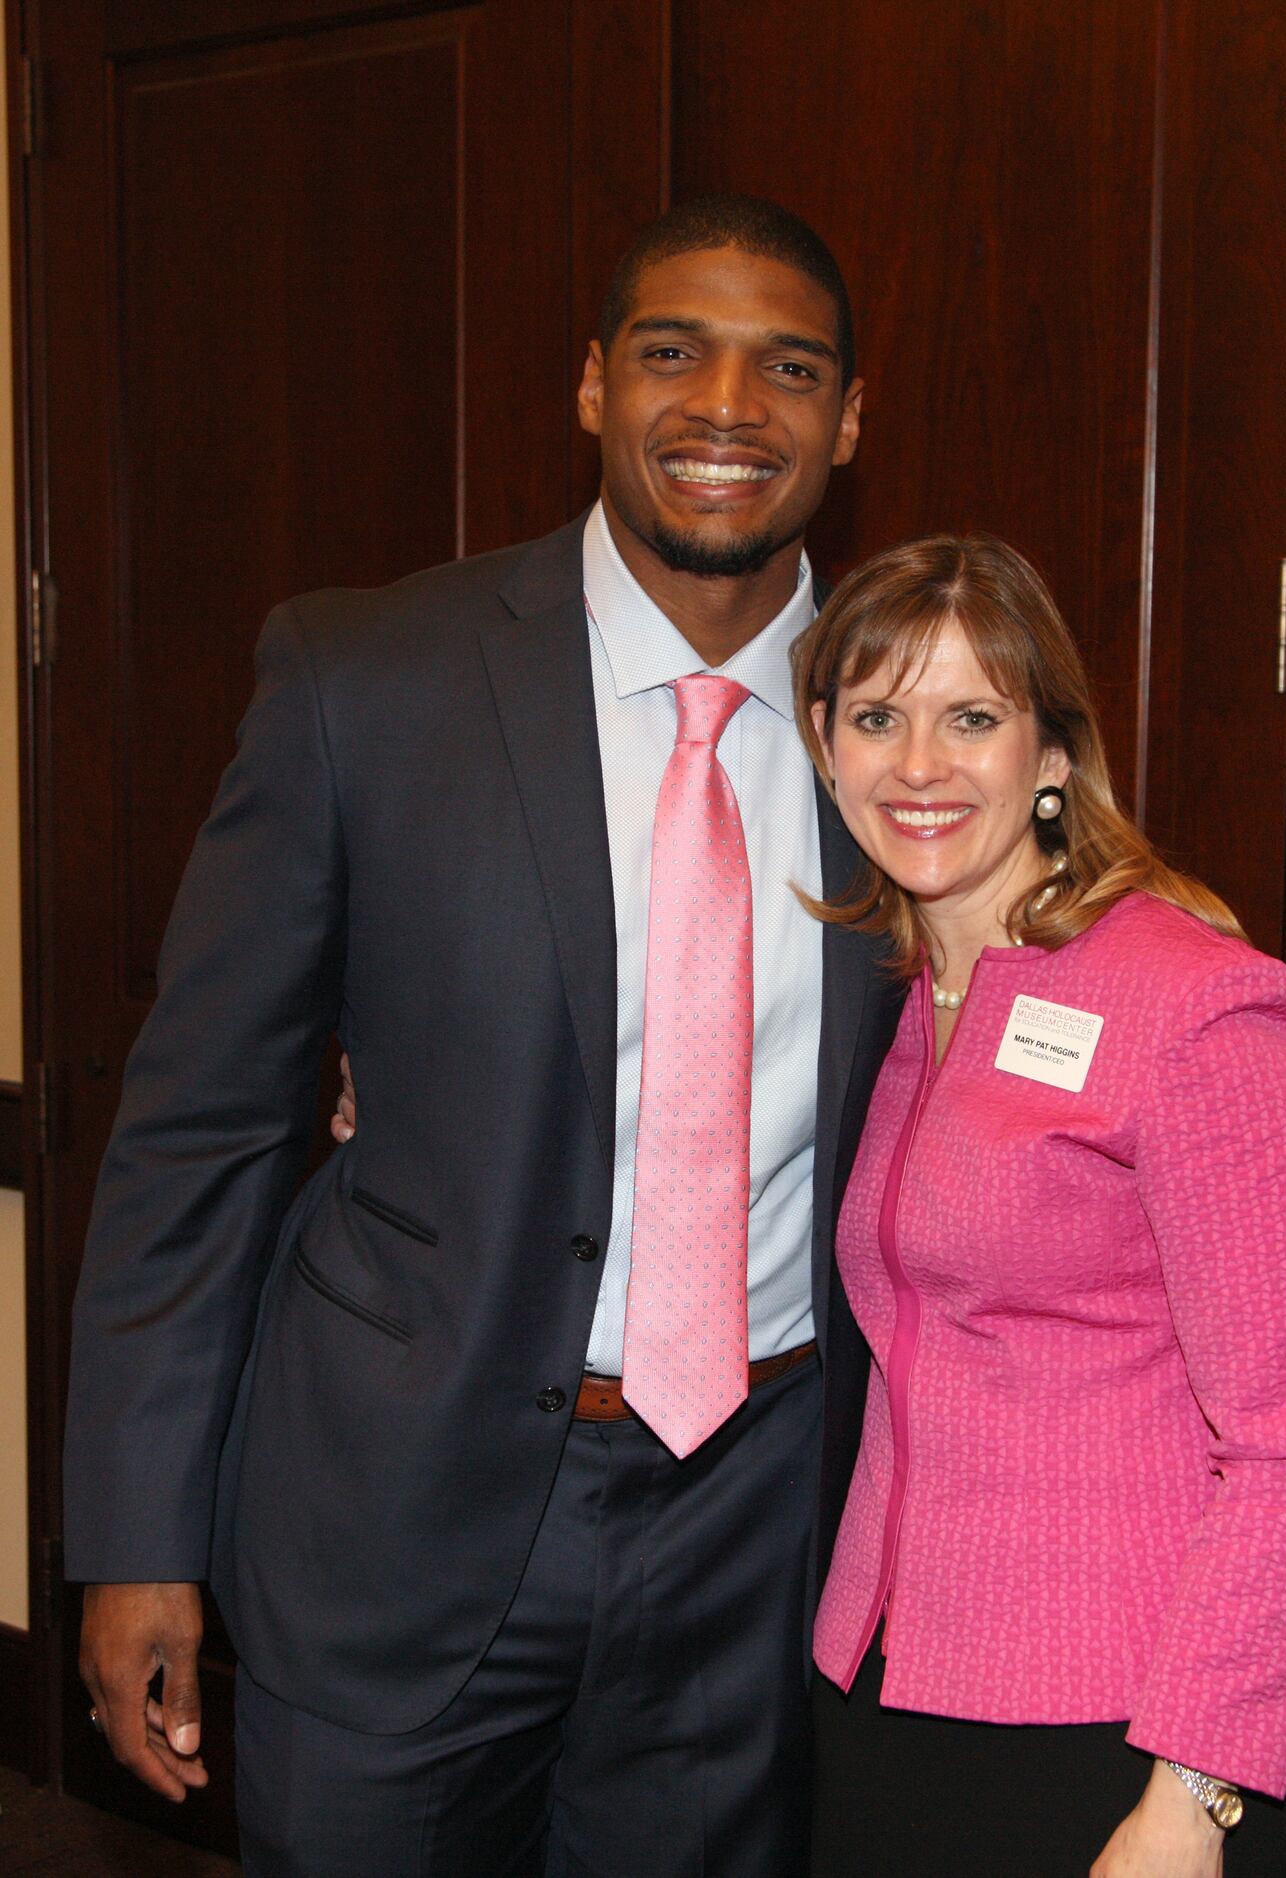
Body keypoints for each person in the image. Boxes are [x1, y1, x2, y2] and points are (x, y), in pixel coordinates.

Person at [63, 195, 906, 1877]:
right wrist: (134, 1532)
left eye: (787, 366)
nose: (728, 406)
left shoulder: (911, 735)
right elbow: (200, 1128)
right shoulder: (360, 677)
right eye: (673, 351)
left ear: (848, 416)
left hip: (757, 1536)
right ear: (592, 384)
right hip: (394, 1517)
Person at [790, 535, 1286, 1877]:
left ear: (1050, 755)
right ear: (824, 748)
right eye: (876, 716)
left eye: (971, 717)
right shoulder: (884, 1000)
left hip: (1128, 1728)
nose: (917, 763)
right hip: (884, 1689)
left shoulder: (1191, 1001)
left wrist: (1188, 1797)